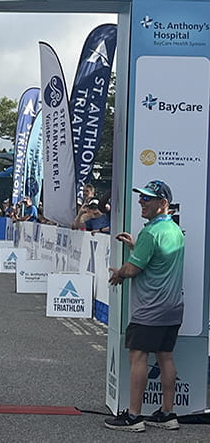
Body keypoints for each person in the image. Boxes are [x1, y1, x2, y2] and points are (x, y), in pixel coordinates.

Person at [105, 180, 184, 432]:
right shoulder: (174, 230)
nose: (141, 201)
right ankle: (168, 413)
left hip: (150, 307)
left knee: (138, 356)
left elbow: (133, 268)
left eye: (148, 198)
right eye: (141, 197)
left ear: (163, 204)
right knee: (166, 357)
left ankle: (134, 416)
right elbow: (157, 259)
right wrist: (135, 247)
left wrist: (120, 273)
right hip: (172, 306)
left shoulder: (150, 233)